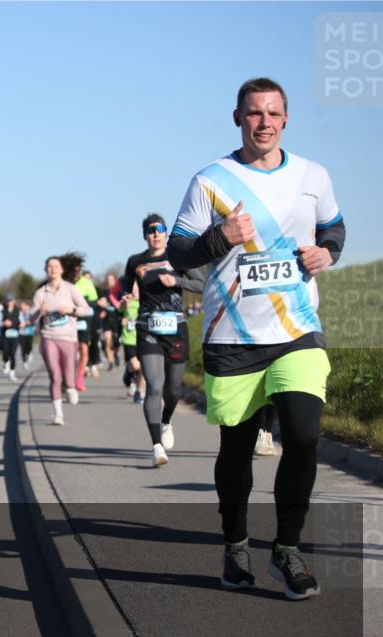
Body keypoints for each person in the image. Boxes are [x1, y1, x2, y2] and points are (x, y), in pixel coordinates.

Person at [167, 78, 346, 600]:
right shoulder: (211, 181)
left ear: (286, 119)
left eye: (273, 113)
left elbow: (334, 228)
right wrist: (222, 235)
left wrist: (326, 254)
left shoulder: (314, 176)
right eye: (253, 114)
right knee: (237, 450)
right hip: (234, 337)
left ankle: (287, 550)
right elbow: (180, 254)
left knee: (304, 435)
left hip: (297, 331)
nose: (263, 122)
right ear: (237, 118)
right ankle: (236, 541)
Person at [121, 213, 204, 467]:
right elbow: (126, 288)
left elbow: (201, 284)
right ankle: (156, 446)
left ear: (166, 233)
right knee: (154, 386)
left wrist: (176, 280)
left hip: (176, 328)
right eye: (150, 230)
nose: (155, 234)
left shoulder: (177, 258)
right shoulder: (136, 261)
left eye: (160, 229)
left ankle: (166, 420)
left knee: (174, 390)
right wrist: (126, 298)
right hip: (148, 328)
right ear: (145, 235)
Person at [31, 257, 92, 425]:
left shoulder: (70, 289)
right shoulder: (41, 293)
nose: (53, 269)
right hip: (48, 337)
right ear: (46, 269)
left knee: (67, 376)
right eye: (49, 266)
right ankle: (58, 413)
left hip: (68, 337)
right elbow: (30, 318)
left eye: (56, 266)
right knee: (55, 376)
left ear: (62, 270)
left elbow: (87, 310)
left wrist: (71, 310)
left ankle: (70, 386)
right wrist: (38, 313)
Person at [61, 254, 97, 391]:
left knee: (83, 349)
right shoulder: (64, 283)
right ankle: (66, 378)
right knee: (68, 351)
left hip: (83, 320)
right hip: (67, 321)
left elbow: (93, 302)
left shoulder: (87, 284)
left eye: (79, 269)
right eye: (74, 269)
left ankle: (79, 379)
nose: (77, 272)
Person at [118, 289, 144, 403]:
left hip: (142, 336)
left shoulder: (146, 299)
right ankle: (128, 373)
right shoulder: (126, 299)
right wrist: (122, 319)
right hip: (129, 337)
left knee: (142, 365)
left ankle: (139, 391)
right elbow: (118, 311)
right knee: (135, 365)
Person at [0, 294, 21, 382]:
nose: (9, 302)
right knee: (5, 352)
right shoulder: (2, 311)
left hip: (15, 335)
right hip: (5, 335)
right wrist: (3, 323)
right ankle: (6, 362)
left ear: (14, 301)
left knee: (12, 353)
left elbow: (21, 321)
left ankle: (12, 372)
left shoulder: (18, 311)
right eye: (8, 301)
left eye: (11, 301)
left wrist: (12, 323)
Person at [19, 301, 36, 370]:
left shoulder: (31, 313)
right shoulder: (19, 314)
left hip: (29, 333)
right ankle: (24, 363)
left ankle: (29, 353)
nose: (22, 308)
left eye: (23, 306)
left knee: (29, 346)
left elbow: (34, 322)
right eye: (21, 306)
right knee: (22, 348)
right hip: (21, 333)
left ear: (27, 306)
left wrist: (26, 323)